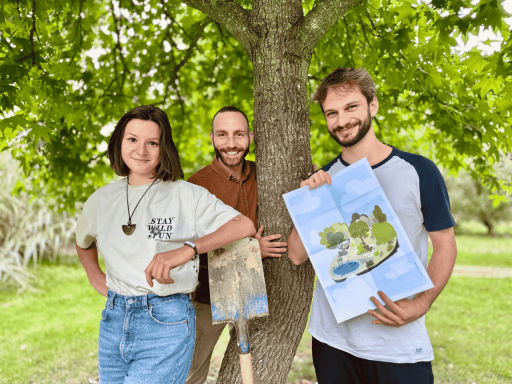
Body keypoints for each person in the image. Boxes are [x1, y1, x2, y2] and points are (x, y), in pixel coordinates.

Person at [288, 68, 457, 384]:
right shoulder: (322, 177)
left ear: (373, 106)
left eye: (351, 107)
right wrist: (311, 200)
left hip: (398, 345)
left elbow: (445, 246)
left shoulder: (419, 171)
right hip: (333, 343)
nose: (342, 120)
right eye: (331, 113)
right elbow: (296, 255)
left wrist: (421, 305)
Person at [75, 105, 256, 384]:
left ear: (164, 147)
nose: (141, 150)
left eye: (152, 143)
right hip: (114, 319)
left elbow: (243, 225)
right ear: (119, 142)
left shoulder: (186, 194)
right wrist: (95, 276)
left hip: (166, 318)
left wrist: (188, 249)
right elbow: (83, 242)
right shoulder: (101, 199)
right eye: (132, 139)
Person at [185, 106, 288, 384]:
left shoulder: (266, 175)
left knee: (251, 368)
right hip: (207, 295)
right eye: (223, 134)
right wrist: (250, 248)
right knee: (191, 372)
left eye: (239, 134)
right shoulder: (194, 187)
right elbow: (189, 248)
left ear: (251, 136)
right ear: (211, 138)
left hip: (257, 291)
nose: (231, 143)